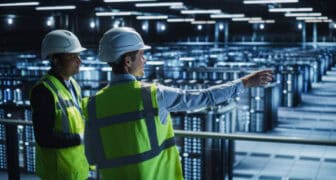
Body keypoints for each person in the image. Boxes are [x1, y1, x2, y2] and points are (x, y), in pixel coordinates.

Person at [83, 27, 273, 180]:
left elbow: (91, 156)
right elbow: (203, 97)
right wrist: (245, 82)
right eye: (141, 55)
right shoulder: (154, 95)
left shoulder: (92, 105)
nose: (145, 59)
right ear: (127, 60)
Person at [30, 29, 89, 179]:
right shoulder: (44, 91)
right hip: (57, 173)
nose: (79, 61)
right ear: (55, 60)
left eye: (79, 56)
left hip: (76, 169)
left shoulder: (74, 85)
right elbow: (44, 137)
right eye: (72, 56)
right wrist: (80, 138)